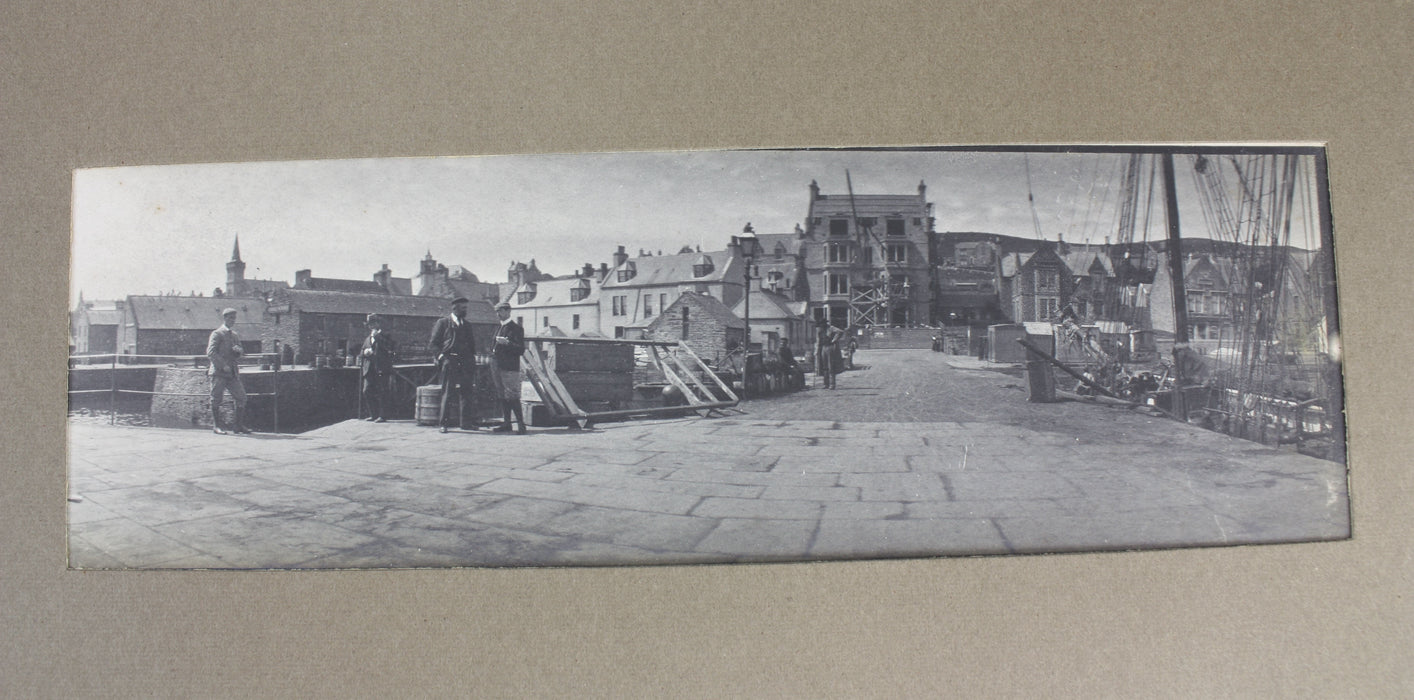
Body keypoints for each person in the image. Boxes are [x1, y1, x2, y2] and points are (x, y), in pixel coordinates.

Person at [428, 297, 478, 433]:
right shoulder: (443, 323)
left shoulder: (467, 325)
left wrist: (472, 359)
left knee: (466, 392)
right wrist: (442, 358)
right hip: (450, 361)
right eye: (463, 308)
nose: (465, 310)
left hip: (466, 362)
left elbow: (472, 345)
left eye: (466, 308)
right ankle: (443, 424)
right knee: (447, 392)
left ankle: (466, 423)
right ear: (455, 308)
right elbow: (433, 344)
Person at [207, 307, 250, 434]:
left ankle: (238, 426)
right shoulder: (217, 334)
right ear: (225, 318)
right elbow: (211, 352)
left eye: (234, 318)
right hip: (219, 372)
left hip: (232, 373)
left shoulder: (235, 335)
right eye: (230, 318)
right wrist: (222, 365)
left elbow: (239, 353)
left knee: (241, 397)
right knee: (216, 398)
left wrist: (238, 352)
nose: (233, 320)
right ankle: (216, 427)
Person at [490, 302, 527, 434]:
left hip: (510, 367)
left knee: (512, 395)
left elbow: (521, 349)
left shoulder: (516, 329)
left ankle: (521, 425)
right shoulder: (498, 327)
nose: (498, 314)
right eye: (497, 311)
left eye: (500, 311)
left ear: (508, 311)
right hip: (496, 365)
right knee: (502, 395)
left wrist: (508, 343)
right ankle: (507, 423)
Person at [359, 313, 398, 422]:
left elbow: (390, 348)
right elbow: (361, 352)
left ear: (378, 323)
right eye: (369, 324)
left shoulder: (386, 335)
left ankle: (383, 415)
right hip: (369, 368)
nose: (371, 326)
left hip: (381, 367)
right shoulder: (367, 338)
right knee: (367, 390)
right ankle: (373, 414)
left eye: (373, 323)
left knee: (382, 391)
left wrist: (377, 336)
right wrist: (365, 352)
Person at [813, 318, 844, 390]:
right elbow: (818, 340)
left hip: (830, 348)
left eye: (821, 324)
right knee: (824, 367)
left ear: (825, 323)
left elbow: (840, 332)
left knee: (831, 366)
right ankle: (825, 384)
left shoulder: (831, 328)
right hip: (823, 348)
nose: (820, 326)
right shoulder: (819, 330)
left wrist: (834, 340)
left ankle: (832, 384)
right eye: (819, 325)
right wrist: (816, 350)